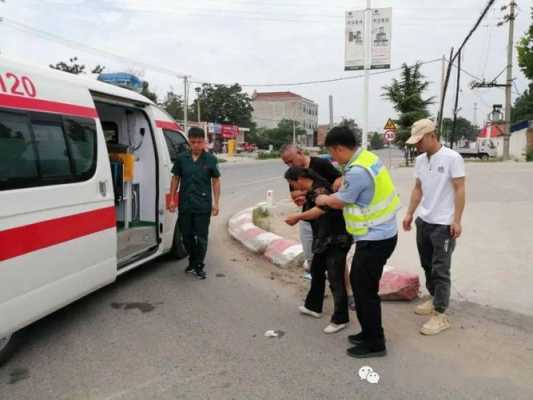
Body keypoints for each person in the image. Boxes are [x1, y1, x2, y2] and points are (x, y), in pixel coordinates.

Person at [315, 126, 400, 358]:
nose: (333, 159)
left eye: (333, 154)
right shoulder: (366, 157)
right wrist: (344, 177)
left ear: (340, 148)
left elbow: (341, 201)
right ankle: (368, 333)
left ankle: (375, 343)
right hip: (383, 234)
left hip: (374, 238)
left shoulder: (357, 171)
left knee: (364, 291)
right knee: (364, 287)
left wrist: (323, 198)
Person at [402, 119, 466, 335]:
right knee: (427, 264)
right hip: (424, 221)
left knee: (441, 268)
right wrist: (410, 213)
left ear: (432, 135)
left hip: (443, 224)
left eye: (419, 141)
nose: (417, 146)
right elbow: (418, 188)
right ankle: (433, 297)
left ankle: (440, 314)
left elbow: (459, 189)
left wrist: (456, 220)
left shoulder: (452, 158)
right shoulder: (420, 160)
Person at [284, 167, 352, 334]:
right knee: (316, 270)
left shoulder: (320, 189)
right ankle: (313, 306)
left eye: (292, 183)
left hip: (336, 238)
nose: (293, 187)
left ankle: (340, 319)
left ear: (300, 178)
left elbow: (320, 210)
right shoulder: (312, 189)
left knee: (336, 279)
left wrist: (297, 217)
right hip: (323, 238)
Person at [280, 144, 343, 279]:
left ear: (300, 152)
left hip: (329, 220)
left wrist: (332, 189)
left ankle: (344, 291)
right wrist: (301, 197)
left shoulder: (321, 164)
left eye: (291, 161)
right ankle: (317, 282)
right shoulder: (294, 172)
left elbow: (339, 179)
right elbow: (294, 194)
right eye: (287, 163)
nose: (290, 165)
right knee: (311, 254)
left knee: (335, 259)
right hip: (309, 218)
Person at [168, 127, 221, 279]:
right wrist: (172, 198)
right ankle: (193, 261)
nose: (196, 145)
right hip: (185, 204)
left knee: (202, 237)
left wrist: (216, 203)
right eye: (193, 142)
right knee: (186, 236)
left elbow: (216, 181)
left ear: (204, 142)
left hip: (203, 205)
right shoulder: (182, 158)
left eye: (199, 142)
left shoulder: (210, 159)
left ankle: (198, 265)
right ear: (189, 142)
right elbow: (175, 178)